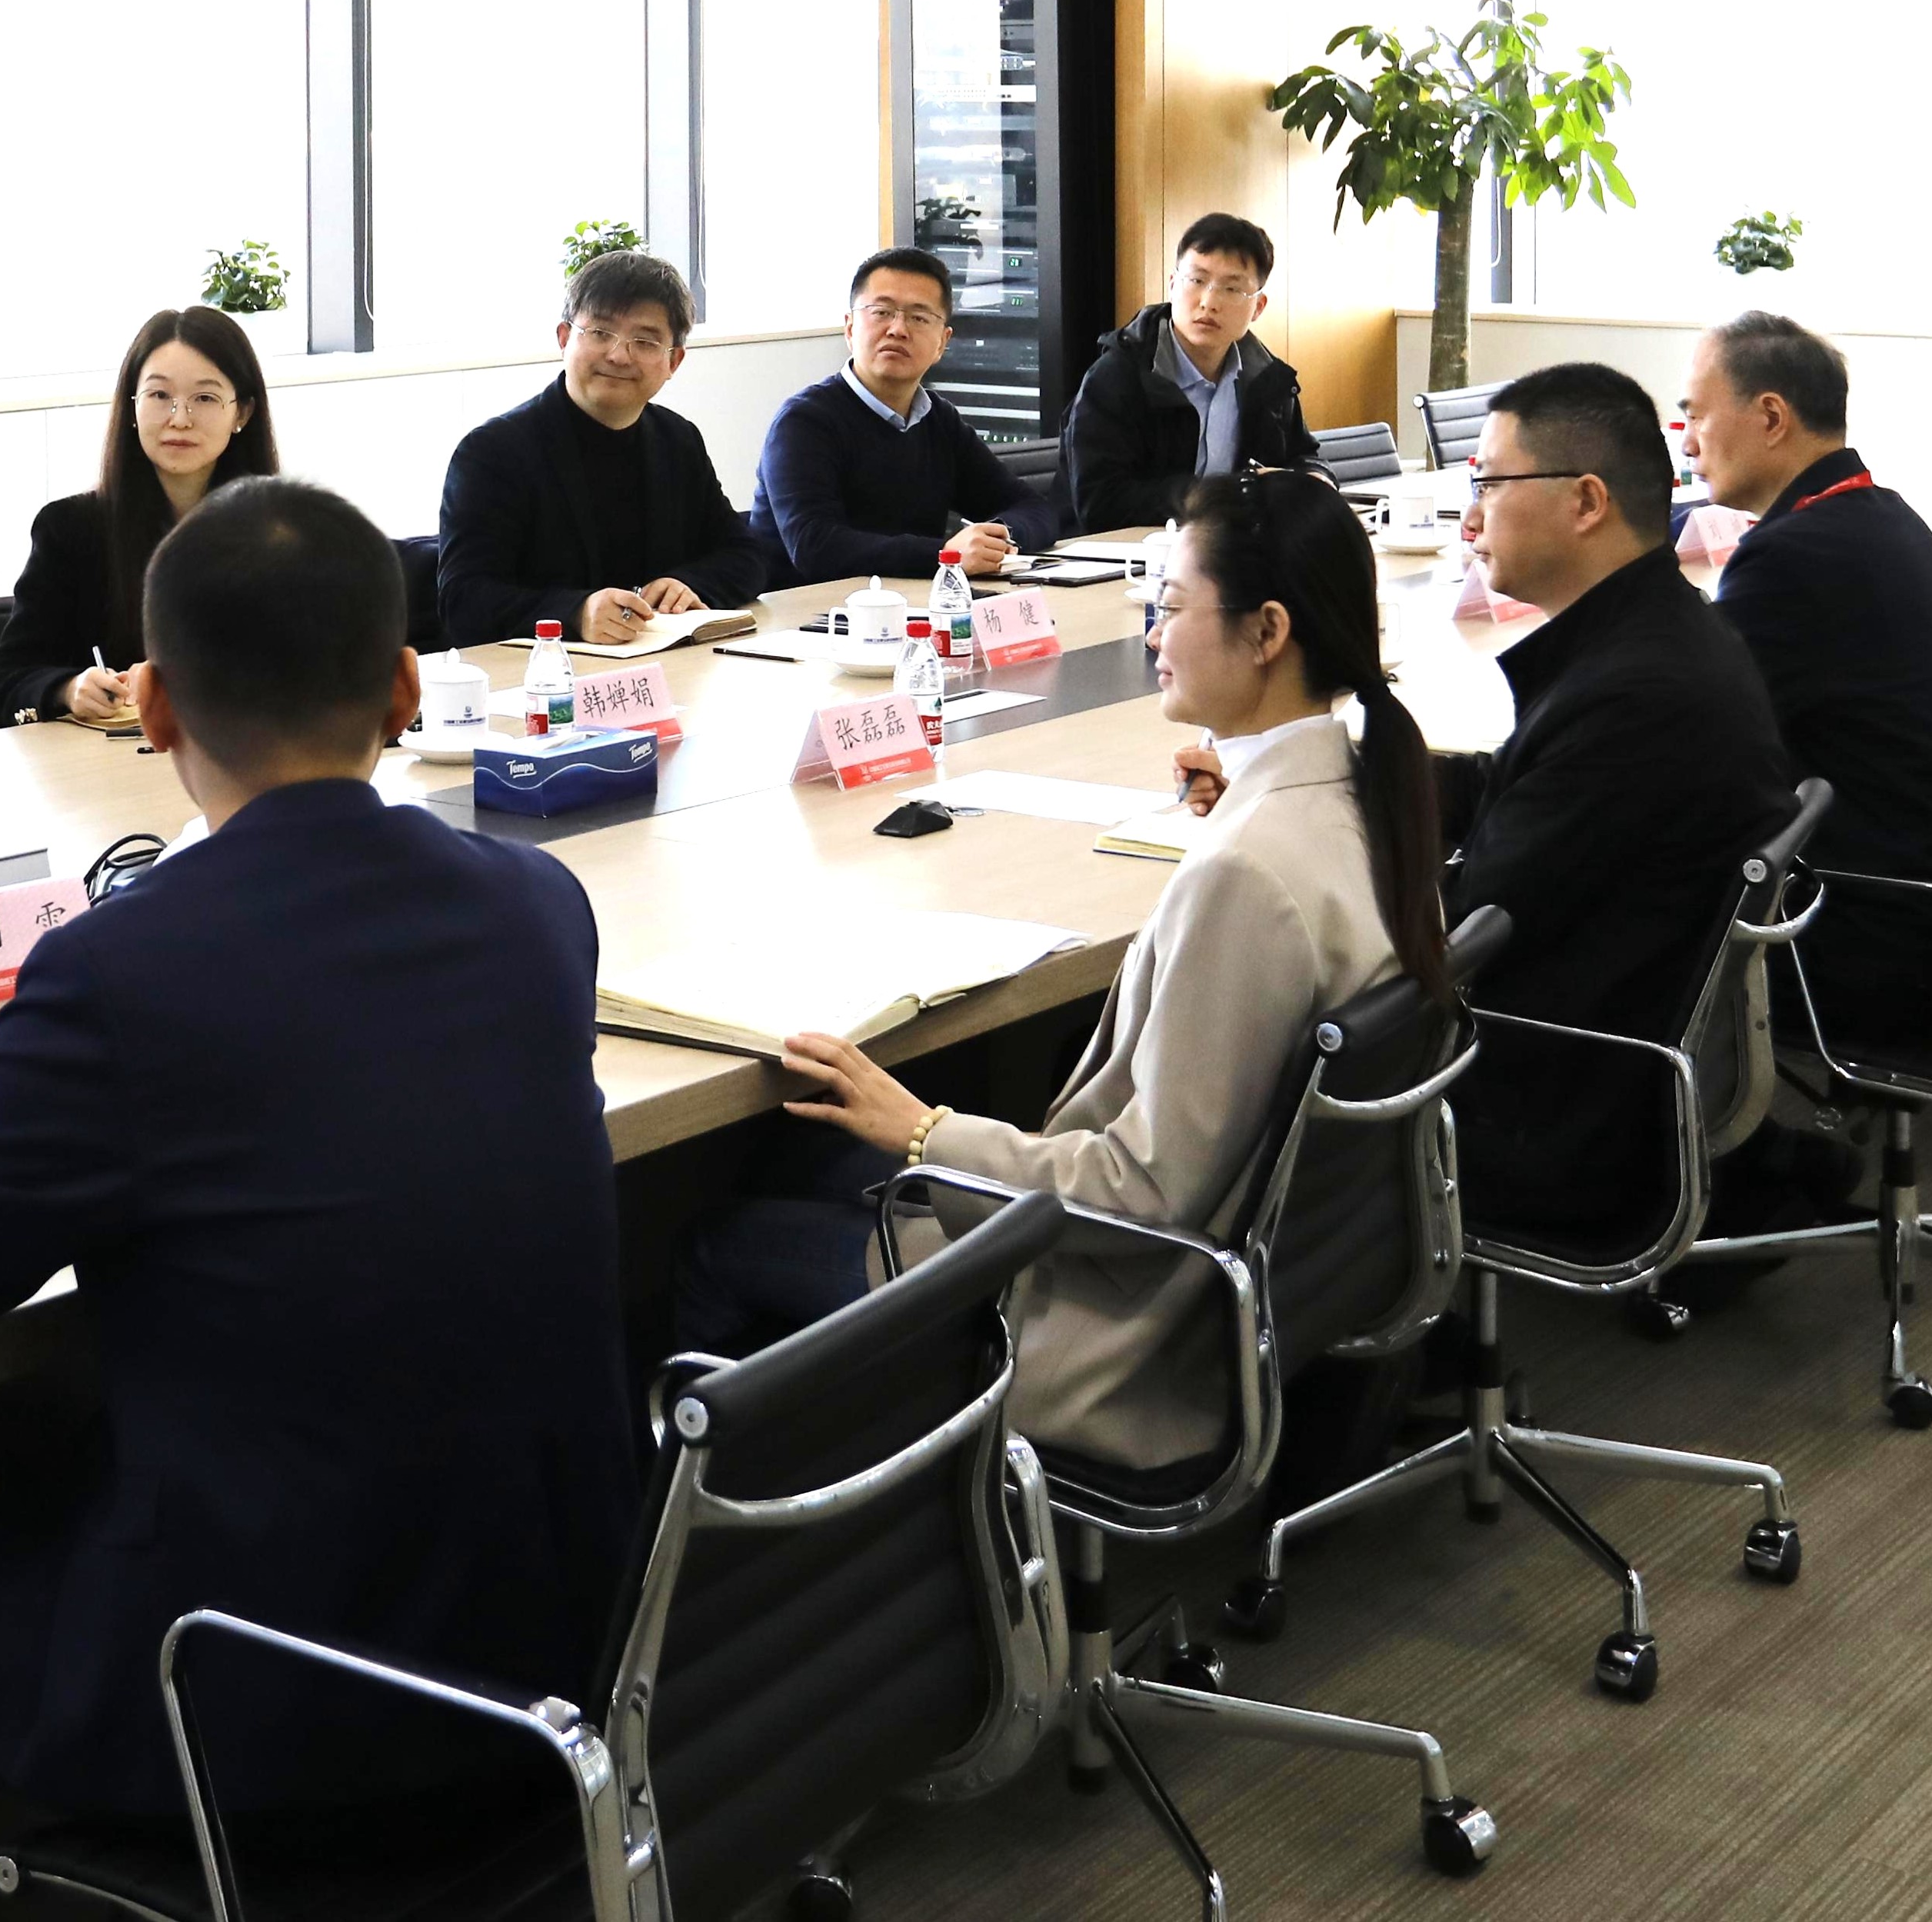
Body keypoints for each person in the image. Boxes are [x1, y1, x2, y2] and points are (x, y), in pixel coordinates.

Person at [0, 480, 637, 1817]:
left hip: (263, 1695)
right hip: (552, 1655)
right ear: (406, 687)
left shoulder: (114, 973)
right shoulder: (537, 903)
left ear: (155, 705)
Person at [678, 467, 1450, 1472]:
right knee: (813, 1157)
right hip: (1254, 1282)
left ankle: (804, 1543)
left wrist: (922, 1128)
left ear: (1266, 632)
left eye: (1170, 604)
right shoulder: (1362, 792)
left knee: (714, 1242)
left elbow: (1142, 1193)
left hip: (1117, 1329)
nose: (1151, 632)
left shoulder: (1247, 876)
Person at [1437, 362, 1806, 1236]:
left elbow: (1467, 927)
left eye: (1490, 484)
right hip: (1620, 1055)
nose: (1470, 520)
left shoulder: (1633, 693)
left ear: (1586, 501)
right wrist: (1350, 779)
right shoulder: (1658, 635)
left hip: (1556, 1103)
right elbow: (1524, 787)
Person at [1680, 313, 1932, 1053]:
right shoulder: (1881, 516)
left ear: (1770, 417)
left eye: (1696, 415)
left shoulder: (1792, 557)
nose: (1687, 441)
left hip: (1864, 947)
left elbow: (1689, 734)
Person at [435, 249, 769, 644]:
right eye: (600, 333)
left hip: (666, 665)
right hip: (545, 671)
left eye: (645, 341)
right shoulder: (493, 453)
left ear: (674, 361)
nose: (619, 355)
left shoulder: (677, 440)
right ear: (564, 338)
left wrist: (689, 584)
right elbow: (463, 601)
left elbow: (747, 555)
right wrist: (575, 614)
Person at [0, 305, 280, 726]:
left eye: (205, 398)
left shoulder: (281, 531)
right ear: (133, 406)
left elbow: (315, 665)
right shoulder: (70, 529)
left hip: (239, 751)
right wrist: (68, 688)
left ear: (242, 413)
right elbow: (6, 680)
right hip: (109, 762)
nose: (179, 419)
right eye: (159, 396)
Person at [744, 247, 1050, 587]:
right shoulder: (804, 422)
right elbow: (815, 547)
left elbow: (1033, 507)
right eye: (882, 312)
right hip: (810, 610)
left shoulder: (940, 421)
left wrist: (999, 539)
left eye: (919, 318)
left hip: (913, 603)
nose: (898, 329)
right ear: (850, 328)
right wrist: (946, 555)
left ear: (942, 343)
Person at [1060, 212, 1315, 536]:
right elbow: (1100, 503)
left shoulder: (1267, 379)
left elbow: (1305, 458)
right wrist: (1220, 496)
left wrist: (1315, 481)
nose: (1209, 302)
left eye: (1232, 289)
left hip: (1224, 552)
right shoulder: (1118, 377)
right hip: (1114, 555)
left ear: (1259, 307)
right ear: (1172, 284)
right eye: (1196, 281)